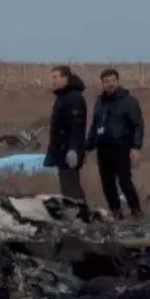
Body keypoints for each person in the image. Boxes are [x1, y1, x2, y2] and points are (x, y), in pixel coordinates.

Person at [86, 69, 145, 218]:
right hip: (103, 149)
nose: (109, 84)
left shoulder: (128, 101)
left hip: (121, 147)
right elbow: (95, 125)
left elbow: (137, 124)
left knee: (125, 181)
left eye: (112, 80)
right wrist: (87, 146)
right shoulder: (100, 102)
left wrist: (136, 147)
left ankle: (136, 210)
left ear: (117, 81)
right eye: (106, 81)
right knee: (107, 184)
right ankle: (116, 213)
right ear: (102, 83)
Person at [44, 66, 88, 202]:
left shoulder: (73, 97)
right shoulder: (63, 96)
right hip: (62, 148)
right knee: (66, 187)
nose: (53, 81)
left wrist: (73, 149)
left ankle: (83, 215)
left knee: (71, 187)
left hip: (68, 149)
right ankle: (76, 213)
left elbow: (76, 126)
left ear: (66, 78)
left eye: (55, 77)